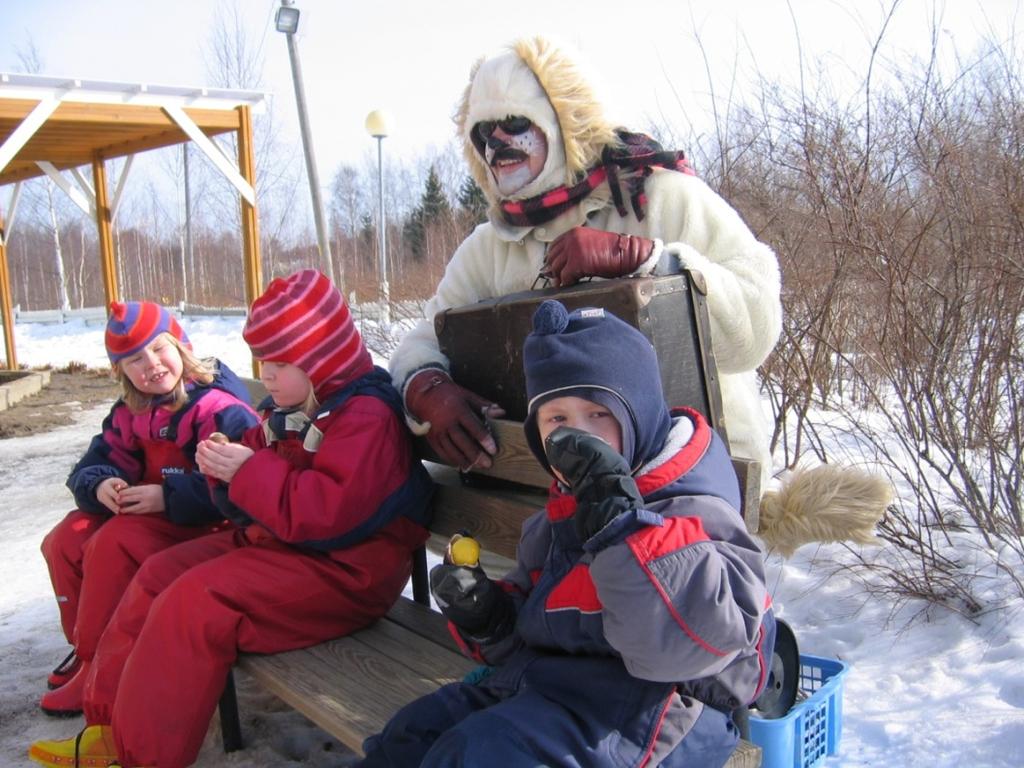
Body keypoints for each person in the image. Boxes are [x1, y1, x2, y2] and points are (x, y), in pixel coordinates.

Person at [28, 269, 435, 768]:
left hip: (349, 571)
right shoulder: (288, 410)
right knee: (159, 575)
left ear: (321, 357)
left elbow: (329, 515)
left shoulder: (365, 417)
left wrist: (248, 472)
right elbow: (256, 480)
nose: (265, 375)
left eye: (281, 363)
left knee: (196, 604)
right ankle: (109, 730)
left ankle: (142, 758)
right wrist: (222, 467)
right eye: (263, 361)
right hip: (289, 549)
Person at [359, 299, 776, 767]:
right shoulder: (557, 518)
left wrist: (624, 528)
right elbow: (535, 630)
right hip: (545, 688)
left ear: (637, 414)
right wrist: (488, 615)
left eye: (598, 414)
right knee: (411, 736)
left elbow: (693, 648)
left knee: (481, 754)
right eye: (557, 419)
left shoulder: (697, 511)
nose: (576, 436)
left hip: (651, 713)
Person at [390, 35, 782, 486]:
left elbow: (758, 327)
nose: (496, 144)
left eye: (514, 123)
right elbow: (423, 339)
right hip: (540, 507)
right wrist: (427, 389)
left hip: (694, 498)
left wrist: (651, 262)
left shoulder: (659, 199)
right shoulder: (491, 246)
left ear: (562, 123)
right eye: (482, 133)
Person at [37, 301, 258, 716]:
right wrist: (101, 483)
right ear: (121, 373)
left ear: (181, 345)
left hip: (207, 524)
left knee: (114, 542)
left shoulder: (215, 409)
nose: (151, 365)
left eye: (159, 349)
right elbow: (92, 464)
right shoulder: (131, 412)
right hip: (158, 519)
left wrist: (166, 496)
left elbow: (241, 484)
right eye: (134, 360)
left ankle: (104, 667)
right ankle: (88, 653)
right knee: (66, 538)